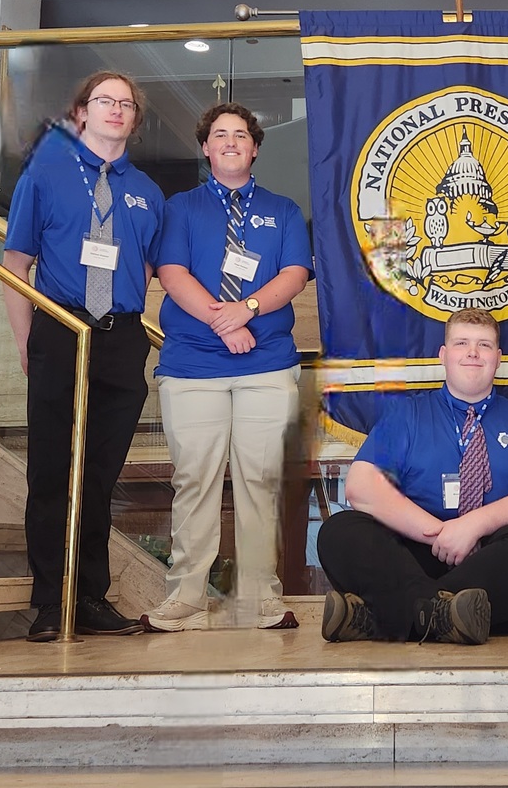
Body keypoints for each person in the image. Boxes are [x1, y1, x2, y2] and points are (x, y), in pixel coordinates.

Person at [3, 71, 164, 642]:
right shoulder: (44, 177)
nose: (115, 110)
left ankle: (90, 598)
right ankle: (51, 602)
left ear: (134, 121)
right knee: (52, 473)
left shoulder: (146, 190)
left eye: (125, 104)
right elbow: (16, 265)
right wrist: (28, 340)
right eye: (104, 101)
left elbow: (145, 269)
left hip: (120, 339)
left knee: (99, 477)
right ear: (82, 113)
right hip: (62, 328)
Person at [141, 103, 311, 632]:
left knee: (260, 478)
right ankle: (187, 596)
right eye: (221, 135)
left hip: (266, 363)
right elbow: (171, 272)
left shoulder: (282, 209)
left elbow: (295, 273)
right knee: (195, 478)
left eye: (241, 134)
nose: (231, 141)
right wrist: (224, 322)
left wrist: (249, 309)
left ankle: (259, 595)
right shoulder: (181, 208)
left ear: (255, 147)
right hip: (193, 364)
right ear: (206, 148)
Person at [317, 307, 508, 645]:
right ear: (444, 355)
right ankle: (442, 616)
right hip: (414, 555)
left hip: (490, 563)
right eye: (462, 343)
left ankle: (385, 617)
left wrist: (473, 525)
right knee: (340, 530)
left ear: (498, 358)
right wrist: (438, 535)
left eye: (484, 345)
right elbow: (361, 486)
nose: (473, 353)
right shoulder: (406, 415)